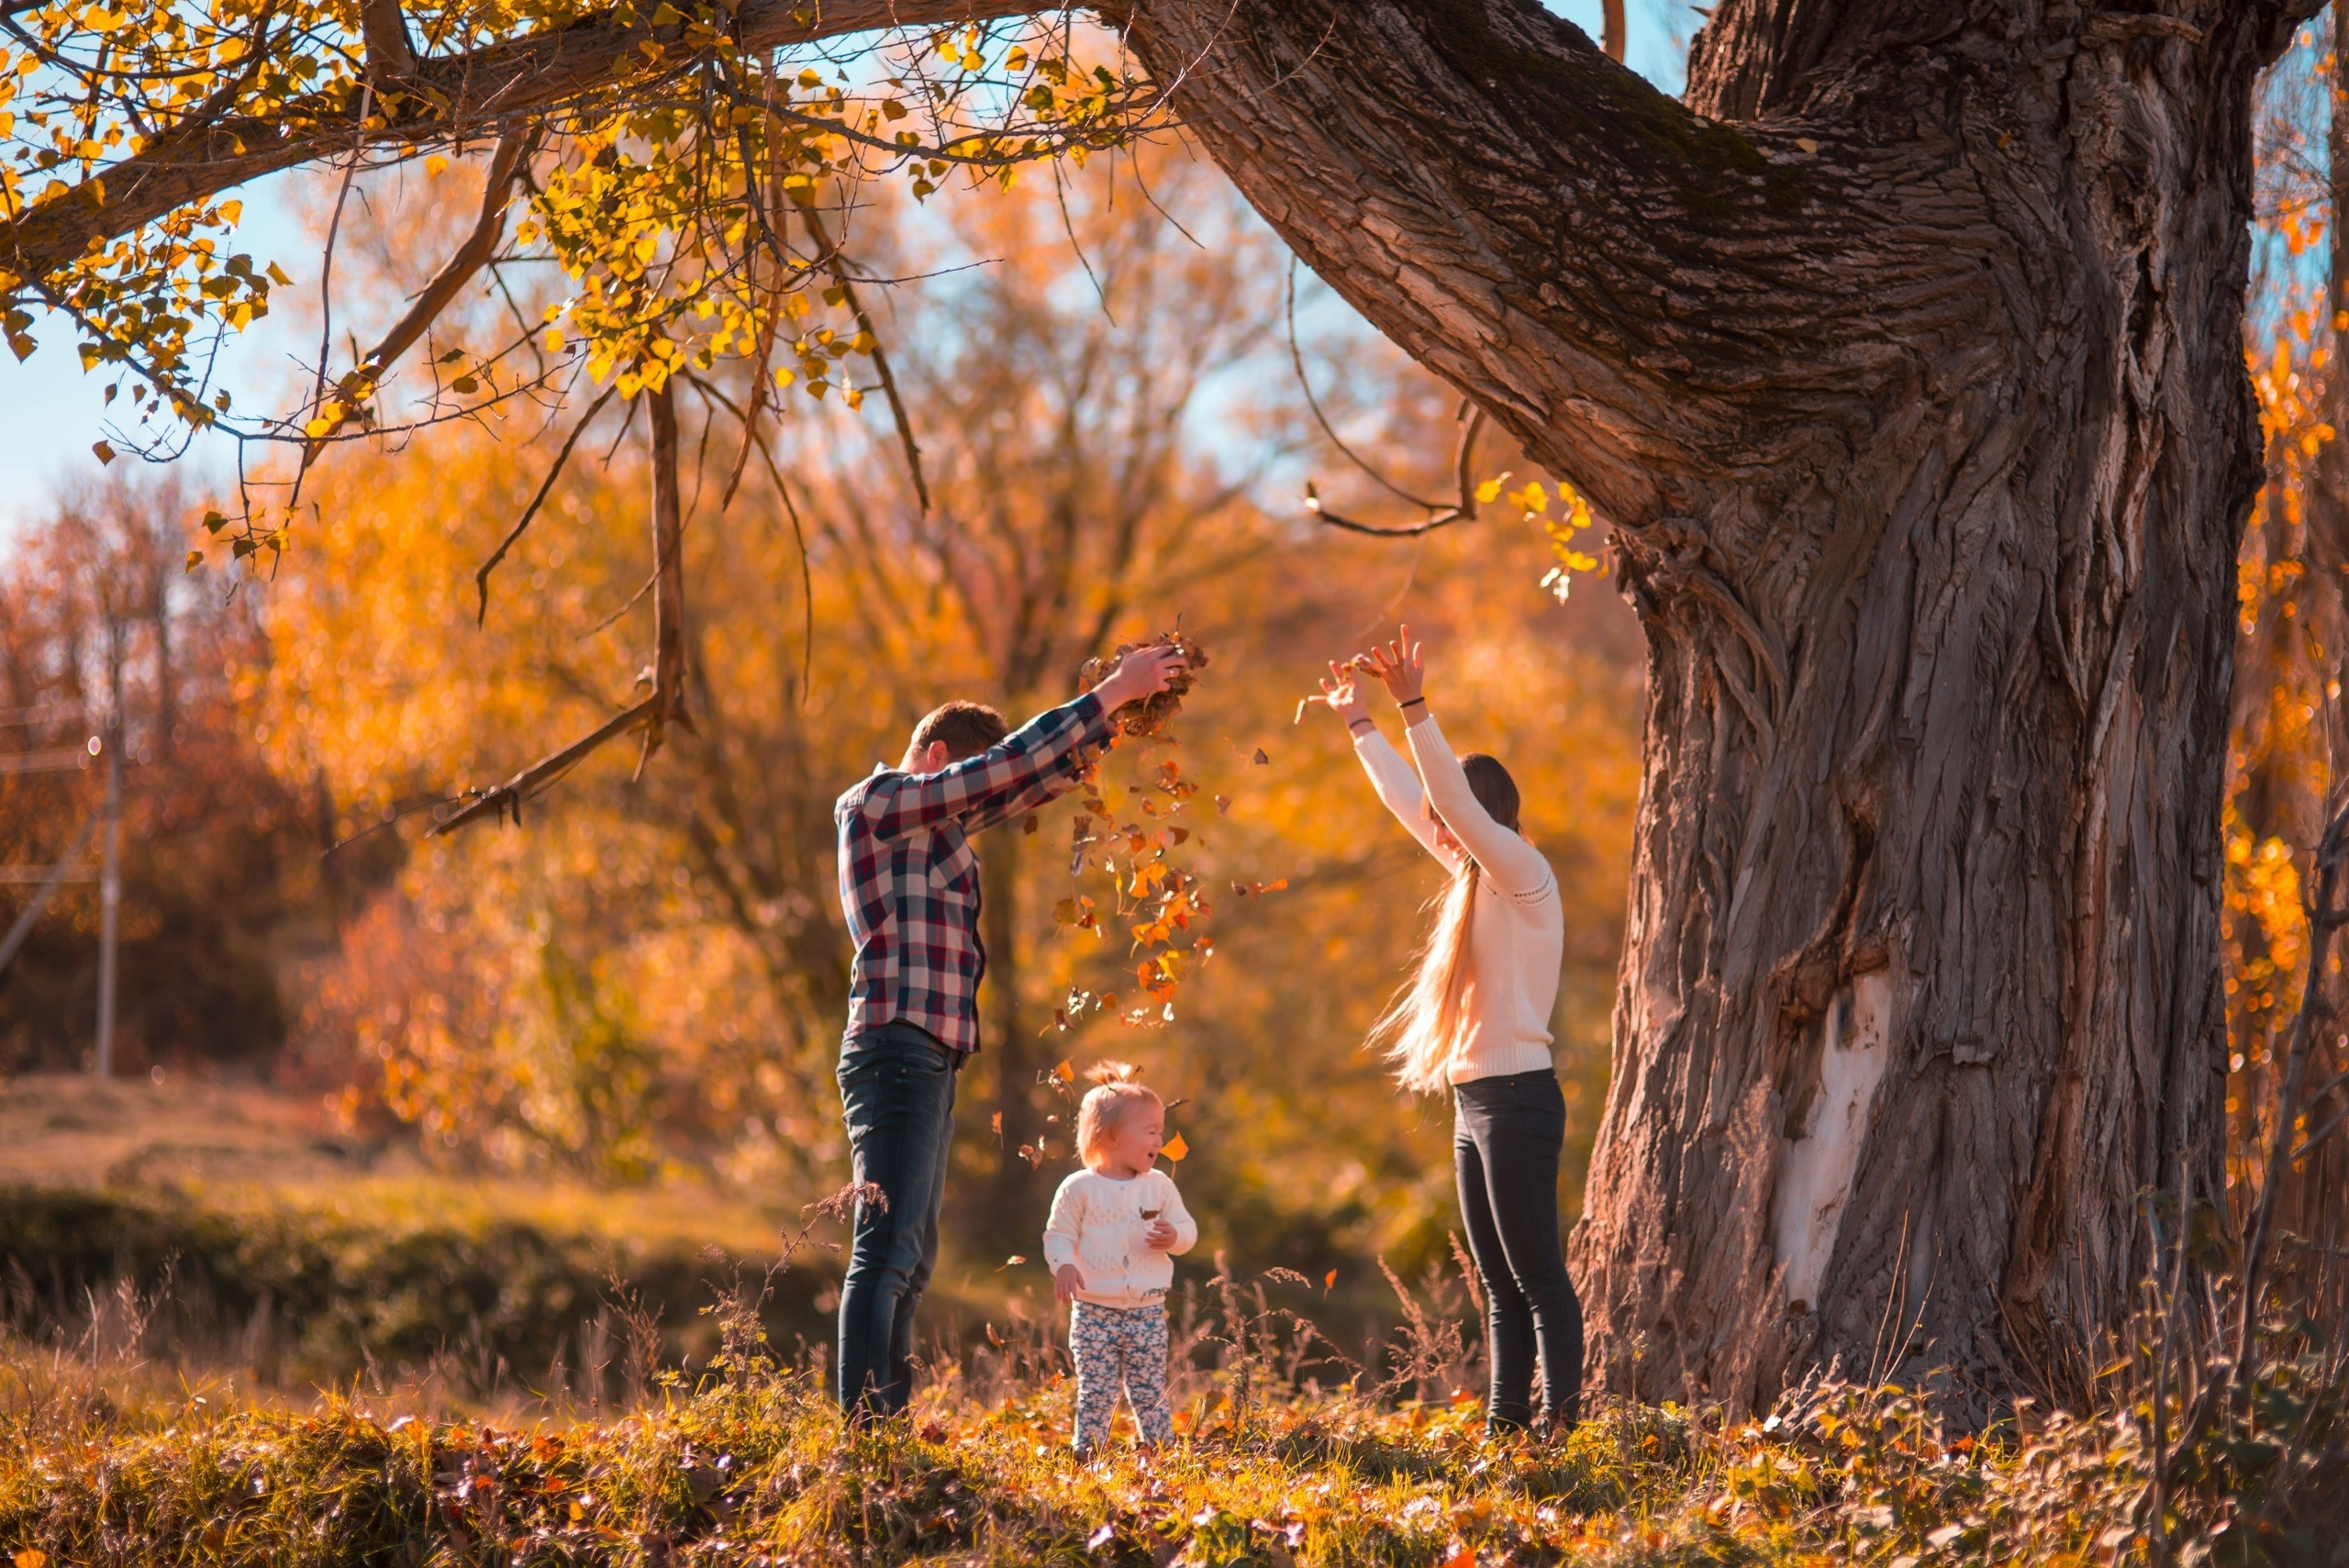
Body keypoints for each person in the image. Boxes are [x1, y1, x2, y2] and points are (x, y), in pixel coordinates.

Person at [832, 643, 1185, 1419]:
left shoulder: (936, 823)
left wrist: (1118, 718)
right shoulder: (881, 801)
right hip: (893, 1044)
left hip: (927, 1054)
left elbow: (1027, 781)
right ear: (933, 758)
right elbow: (996, 772)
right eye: (958, 778)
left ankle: (885, 1424)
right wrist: (1109, 690)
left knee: (913, 1256)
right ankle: (862, 1433)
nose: (968, 804)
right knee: (885, 1249)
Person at [1317, 624, 1583, 1434]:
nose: (1440, 827)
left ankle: (1561, 1429)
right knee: (1499, 1285)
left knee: (1539, 1275)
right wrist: (1360, 723)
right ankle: (1506, 1434)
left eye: (1454, 817)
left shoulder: (1524, 877)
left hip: (1518, 1099)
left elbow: (1449, 805)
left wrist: (1413, 705)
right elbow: (1413, 803)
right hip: (1475, 1102)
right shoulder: (1474, 880)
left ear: (1481, 816)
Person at [1043, 1062, 1197, 1459]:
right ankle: (1088, 1452)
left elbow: (1187, 1229)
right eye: (1150, 1131)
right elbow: (1058, 1234)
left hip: (1147, 1309)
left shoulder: (1159, 1186)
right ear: (1111, 1137)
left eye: (1160, 1131)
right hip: (1094, 1310)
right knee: (1097, 1388)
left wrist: (1175, 1236)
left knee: (1149, 1387)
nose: (1159, 1140)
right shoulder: (1080, 1188)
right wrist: (1064, 1265)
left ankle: (1160, 1450)